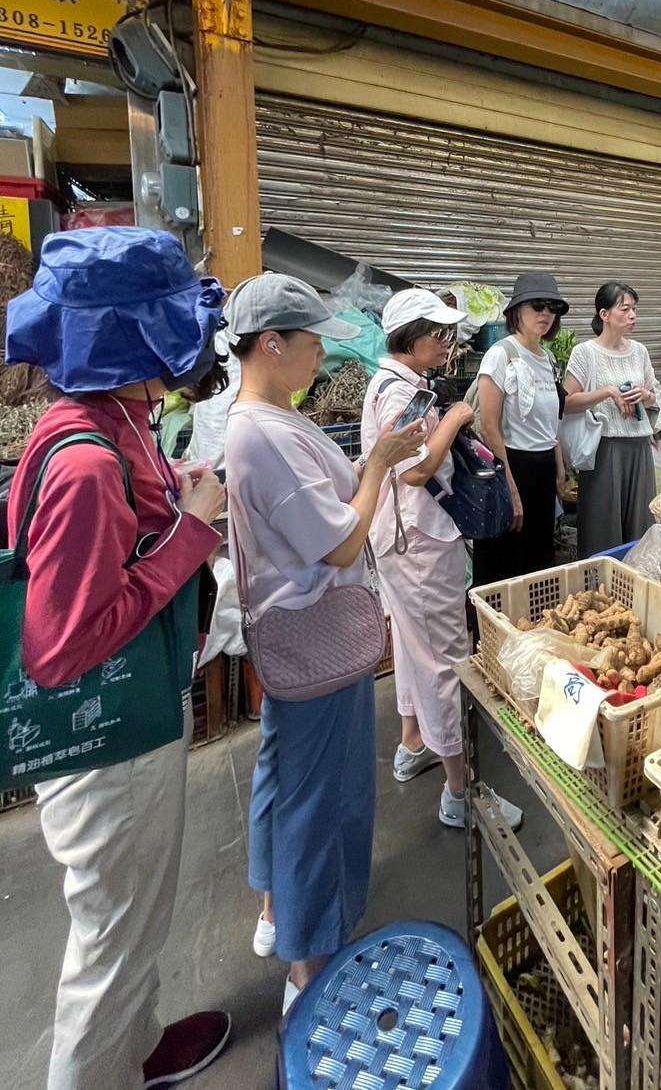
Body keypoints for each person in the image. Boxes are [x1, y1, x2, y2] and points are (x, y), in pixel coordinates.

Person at [5, 227, 231, 1090]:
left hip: (132, 725)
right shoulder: (89, 462)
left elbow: (128, 535)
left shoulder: (107, 419)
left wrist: (182, 488)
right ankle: (95, 1065)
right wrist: (196, 531)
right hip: (110, 746)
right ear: (135, 337)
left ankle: (136, 1046)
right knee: (112, 931)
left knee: (131, 917)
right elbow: (61, 647)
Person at [221, 274, 424, 1012]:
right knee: (320, 803)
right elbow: (340, 544)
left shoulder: (269, 418)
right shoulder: (261, 434)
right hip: (316, 638)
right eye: (311, 347)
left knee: (285, 781)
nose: (321, 362)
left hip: (295, 639)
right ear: (270, 345)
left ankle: (278, 912)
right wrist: (379, 463)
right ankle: (313, 974)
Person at [361, 288, 523, 830]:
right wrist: (456, 416)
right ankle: (462, 792)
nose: (449, 345)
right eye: (440, 334)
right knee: (446, 661)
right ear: (410, 338)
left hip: (404, 542)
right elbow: (411, 470)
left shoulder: (397, 383)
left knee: (413, 647)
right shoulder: (402, 394)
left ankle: (413, 743)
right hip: (419, 547)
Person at [471, 273, 568, 587]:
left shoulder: (548, 358)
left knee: (538, 562)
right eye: (537, 306)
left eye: (552, 307)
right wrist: (510, 489)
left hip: (541, 470)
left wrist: (559, 469)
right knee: (504, 563)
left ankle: (533, 633)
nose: (545, 314)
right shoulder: (500, 355)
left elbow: (549, 423)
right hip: (510, 465)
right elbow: (489, 428)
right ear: (517, 311)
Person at [564, 281, 658, 557]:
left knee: (641, 529)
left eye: (634, 309)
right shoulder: (585, 353)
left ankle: (637, 591)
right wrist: (607, 392)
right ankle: (599, 592)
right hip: (604, 450)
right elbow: (567, 403)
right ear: (604, 314)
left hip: (639, 449)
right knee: (602, 528)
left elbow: (656, 397)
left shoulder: (639, 351)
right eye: (625, 309)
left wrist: (646, 396)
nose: (632, 315)